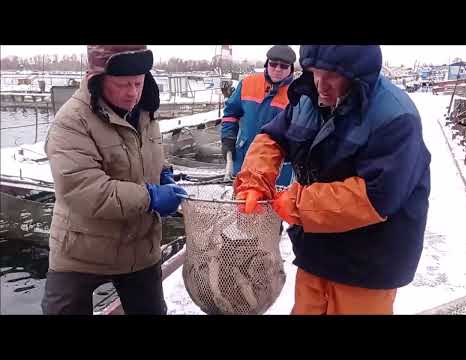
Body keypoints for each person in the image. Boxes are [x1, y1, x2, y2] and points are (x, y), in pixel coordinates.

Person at [234, 45, 431, 315]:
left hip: (367, 265)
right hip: (315, 251)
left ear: (357, 75)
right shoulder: (307, 98)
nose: (320, 85)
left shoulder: (396, 117)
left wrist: (297, 204)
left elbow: (377, 197)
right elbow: (272, 138)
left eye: (332, 76)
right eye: (315, 73)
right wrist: (255, 181)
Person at [41, 45, 187, 315]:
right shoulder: (70, 122)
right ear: (97, 80)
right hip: (80, 251)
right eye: (122, 84)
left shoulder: (145, 110)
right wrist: (151, 196)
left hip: (140, 249)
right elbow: (85, 189)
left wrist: (163, 173)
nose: (132, 93)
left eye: (138, 83)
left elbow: (148, 152)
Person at [221, 45, 297, 186]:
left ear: (291, 68)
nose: (278, 69)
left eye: (283, 66)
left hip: (279, 166)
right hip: (245, 159)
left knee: (275, 203)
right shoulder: (247, 84)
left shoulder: (297, 94)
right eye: (273, 64)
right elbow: (230, 113)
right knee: (243, 200)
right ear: (266, 63)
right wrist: (228, 138)